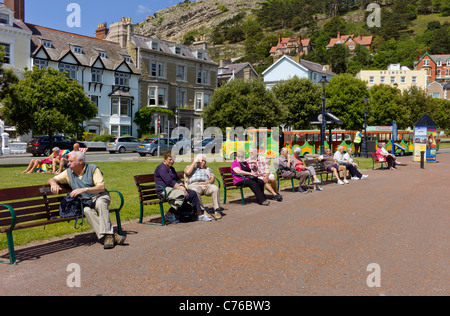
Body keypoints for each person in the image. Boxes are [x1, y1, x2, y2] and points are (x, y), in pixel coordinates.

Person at [48, 151, 126, 249]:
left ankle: (108, 236)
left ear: (80, 161)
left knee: (101, 203)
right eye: (68, 161)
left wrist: (85, 189)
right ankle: (110, 236)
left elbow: (101, 188)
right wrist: (53, 184)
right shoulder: (68, 173)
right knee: (86, 211)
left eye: (71, 161)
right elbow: (52, 179)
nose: (68, 164)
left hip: (100, 196)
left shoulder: (93, 169)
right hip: (86, 202)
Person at [155, 151, 211, 223]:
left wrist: (181, 185)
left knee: (193, 193)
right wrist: (182, 189)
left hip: (173, 189)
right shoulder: (161, 168)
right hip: (164, 191)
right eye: (170, 159)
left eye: (173, 160)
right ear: (165, 159)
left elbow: (177, 179)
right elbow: (169, 182)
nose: (172, 161)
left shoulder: (171, 168)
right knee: (184, 196)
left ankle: (199, 215)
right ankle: (169, 213)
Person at [185, 154, 223, 220]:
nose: (204, 162)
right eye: (202, 161)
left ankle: (217, 210)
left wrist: (210, 181)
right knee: (194, 191)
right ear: (198, 161)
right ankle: (202, 210)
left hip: (206, 185)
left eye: (204, 161)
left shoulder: (207, 169)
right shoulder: (190, 167)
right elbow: (187, 172)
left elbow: (212, 177)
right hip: (194, 185)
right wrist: (194, 162)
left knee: (215, 188)